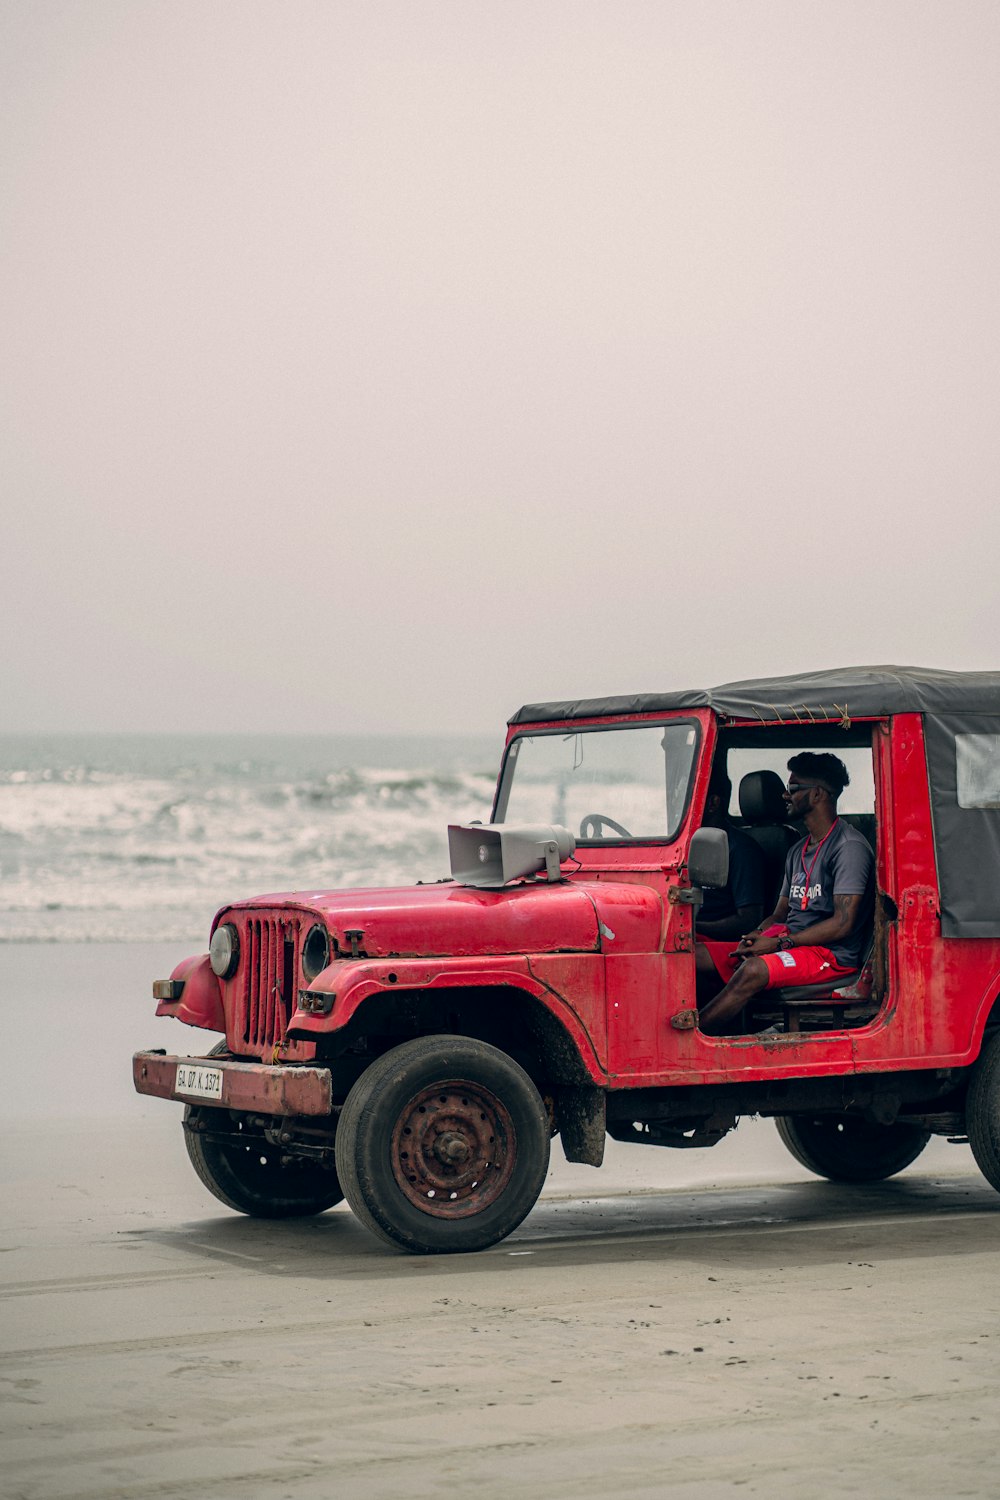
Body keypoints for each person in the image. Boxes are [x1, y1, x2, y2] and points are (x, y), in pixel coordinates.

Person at [698, 752, 875, 1036]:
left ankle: (687, 1042)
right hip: (791, 943)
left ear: (817, 794)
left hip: (830, 957)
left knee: (752, 971)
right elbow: (780, 914)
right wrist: (756, 936)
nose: (785, 795)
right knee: (691, 956)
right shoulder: (798, 850)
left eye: (793, 788)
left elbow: (844, 923)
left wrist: (781, 943)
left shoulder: (849, 847)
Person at [694, 770, 766, 999]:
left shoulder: (740, 849)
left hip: (726, 943)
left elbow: (748, 920)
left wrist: (695, 926)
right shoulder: (687, 844)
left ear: (713, 802)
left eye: (690, 795)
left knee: (676, 956)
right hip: (694, 934)